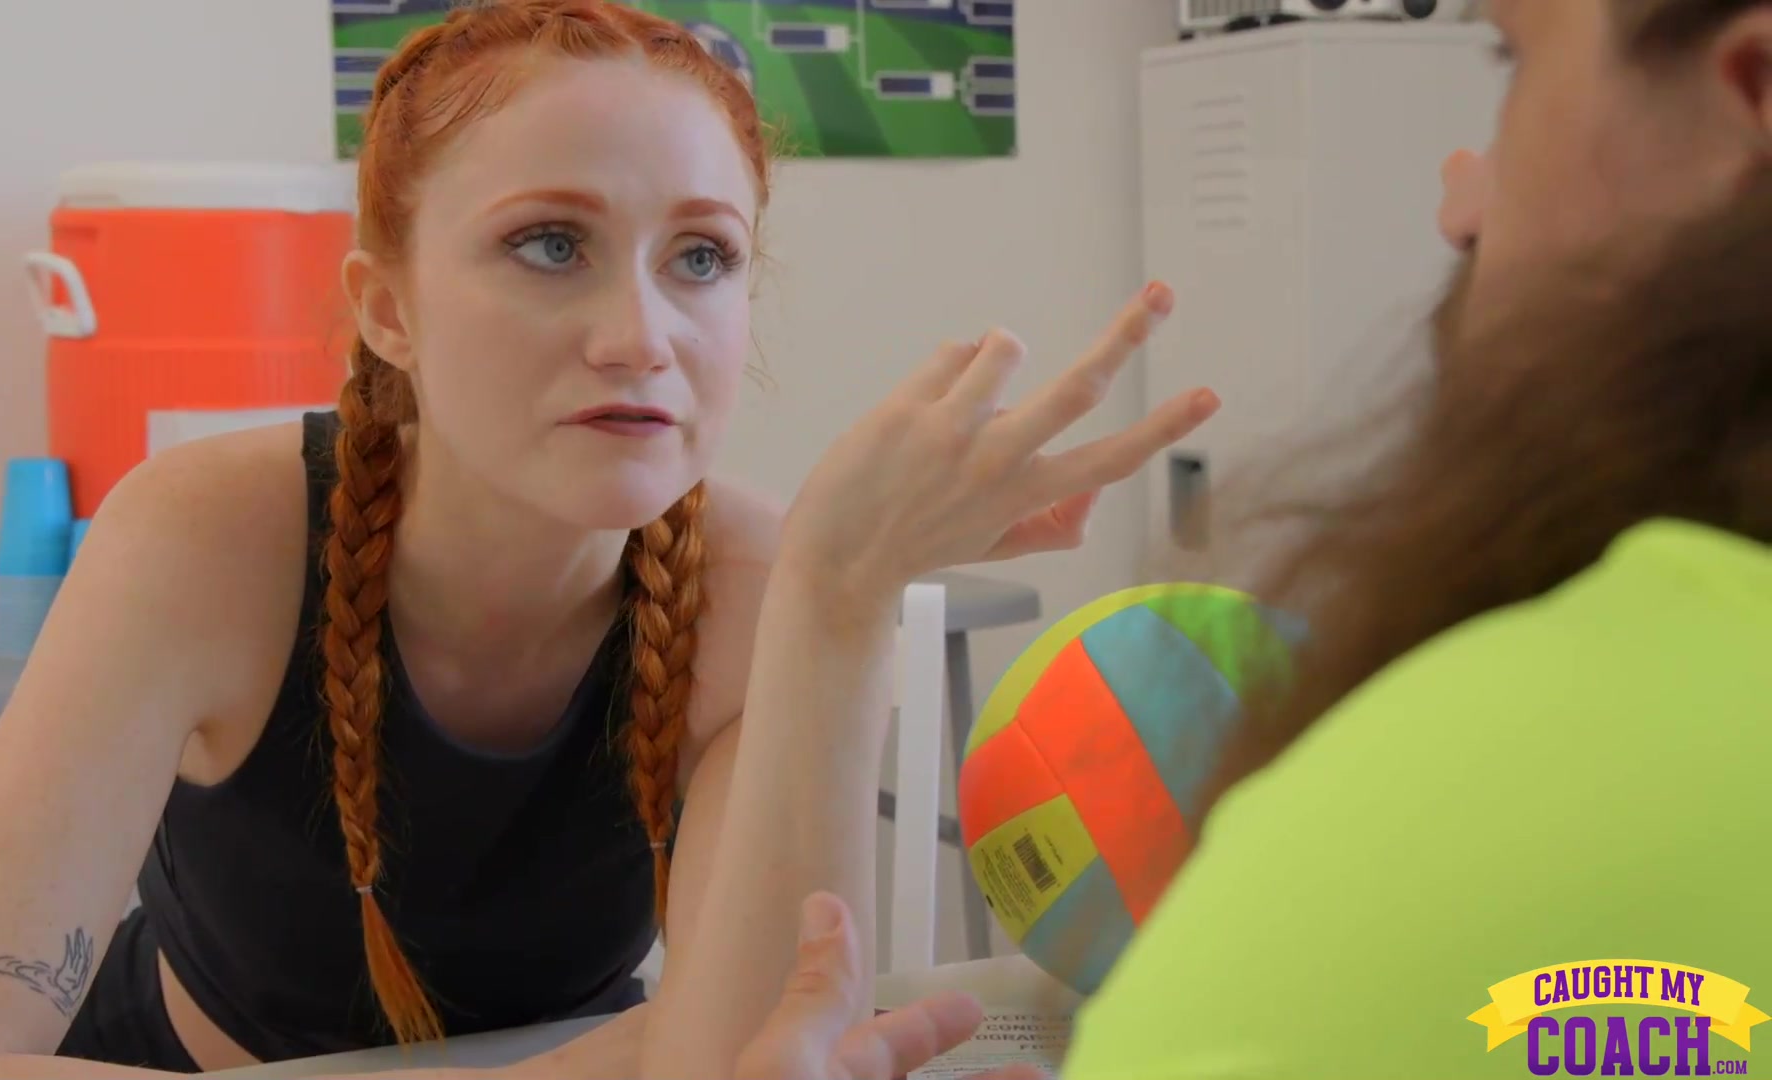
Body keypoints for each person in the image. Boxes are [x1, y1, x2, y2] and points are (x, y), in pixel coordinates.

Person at [0, 2, 1215, 1078]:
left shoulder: (761, 582)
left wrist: (843, 593)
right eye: (551, 244)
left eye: (702, 257)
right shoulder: (209, 537)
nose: (641, 337)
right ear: (388, 309)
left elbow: (749, 1061)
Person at [748, 0, 1772, 1077]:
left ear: (1752, 93)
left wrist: (835, 584)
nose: (1455, 201)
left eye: (1510, 65)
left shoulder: (1422, 824)